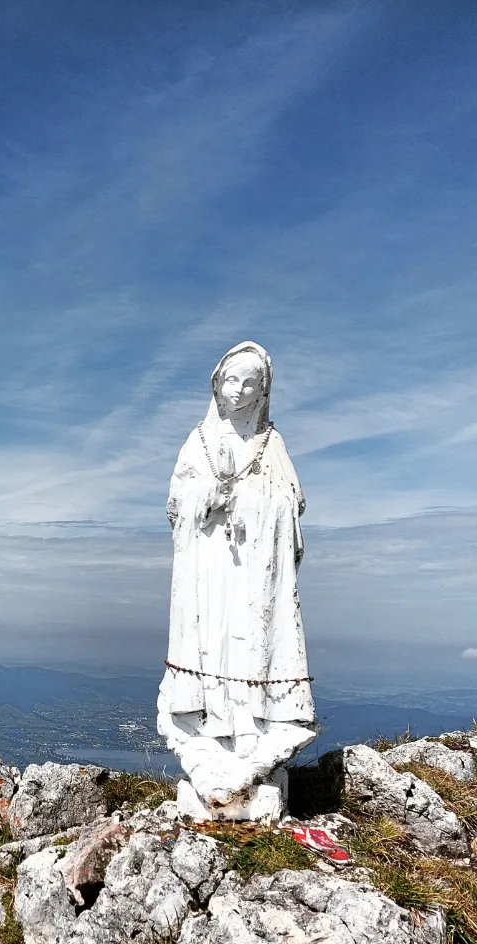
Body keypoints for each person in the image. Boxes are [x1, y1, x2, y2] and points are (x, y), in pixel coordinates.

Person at [156, 341, 316, 810]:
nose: (239, 390)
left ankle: (251, 727)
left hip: (252, 569)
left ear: (263, 391)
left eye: (250, 383)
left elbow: (291, 502)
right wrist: (205, 496)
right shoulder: (198, 441)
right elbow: (176, 501)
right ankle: (209, 725)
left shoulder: (270, 444)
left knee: (249, 642)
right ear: (217, 384)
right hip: (208, 567)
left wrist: (251, 502)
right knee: (212, 639)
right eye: (232, 380)